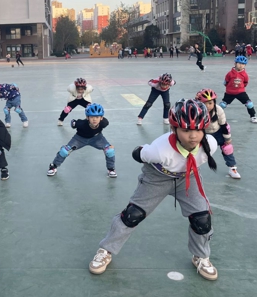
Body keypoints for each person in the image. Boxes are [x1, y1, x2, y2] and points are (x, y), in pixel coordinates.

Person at [88, 99, 218, 280]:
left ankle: (201, 256)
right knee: (133, 215)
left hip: (187, 177)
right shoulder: (159, 150)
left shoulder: (210, 145)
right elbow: (138, 153)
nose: (193, 136)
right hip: (157, 178)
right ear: (174, 129)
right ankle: (105, 250)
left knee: (202, 219)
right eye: (186, 130)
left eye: (198, 130)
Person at [47, 103, 117, 178]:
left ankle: (111, 169)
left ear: (101, 118)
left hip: (97, 138)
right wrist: (74, 123)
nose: (94, 119)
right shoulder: (81, 124)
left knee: (110, 151)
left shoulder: (104, 123)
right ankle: (53, 166)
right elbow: (73, 123)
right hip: (80, 138)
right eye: (92, 117)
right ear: (87, 117)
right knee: (65, 151)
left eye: (97, 117)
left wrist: (107, 146)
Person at [195, 88, 241, 179]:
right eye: (204, 103)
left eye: (210, 103)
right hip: (203, 133)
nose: (208, 106)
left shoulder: (218, 110)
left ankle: (232, 168)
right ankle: (191, 167)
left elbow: (224, 125)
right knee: (194, 149)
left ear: (214, 102)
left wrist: (227, 138)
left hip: (218, 132)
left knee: (227, 148)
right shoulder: (195, 110)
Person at [219, 56, 257, 123]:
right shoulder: (229, 73)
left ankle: (253, 116)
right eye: (239, 63)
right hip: (230, 93)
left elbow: (245, 83)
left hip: (241, 92)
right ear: (235, 63)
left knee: (249, 104)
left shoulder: (245, 74)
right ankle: (216, 116)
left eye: (243, 64)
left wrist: (240, 88)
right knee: (222, 105)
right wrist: (230, 88)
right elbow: (226, 82)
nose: (241, 65)